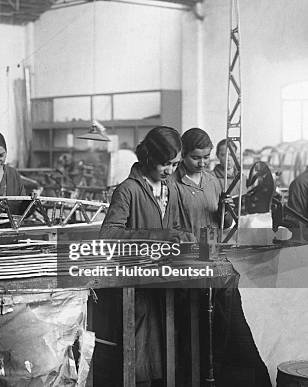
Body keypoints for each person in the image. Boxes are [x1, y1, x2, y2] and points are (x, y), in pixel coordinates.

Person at [97, 126, 193, 386]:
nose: (170, 170)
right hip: (135, 288)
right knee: (139, 355)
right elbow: (108, 236)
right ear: (149, 158)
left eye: (175, 164)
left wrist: (183, 238)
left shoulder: (170, 188)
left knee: (167, 352)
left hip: (164, 284)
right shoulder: (128, 190)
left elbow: (174, 228)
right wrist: (156, 237)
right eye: (165, 164)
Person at [174, 128, 231, 237]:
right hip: (187, 250)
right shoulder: (172, 184)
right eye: (195, 158)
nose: (202, 163)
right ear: (183, 154)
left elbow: (225, 224)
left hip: (211, 247)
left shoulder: (213, 181)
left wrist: (226, 211)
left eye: (206, 157)